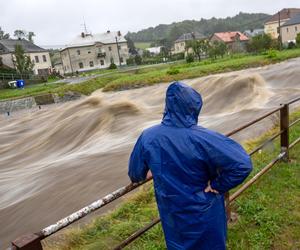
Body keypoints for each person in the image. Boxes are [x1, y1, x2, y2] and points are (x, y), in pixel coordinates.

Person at [128, 81, 252, 250]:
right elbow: (243, 164)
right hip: (205, 211)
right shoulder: (205, 138)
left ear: (168, 106)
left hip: (172, 214)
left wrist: (152, 168)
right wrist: (218, 185)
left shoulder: (148, 137)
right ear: (194, 107)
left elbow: (135, 174)